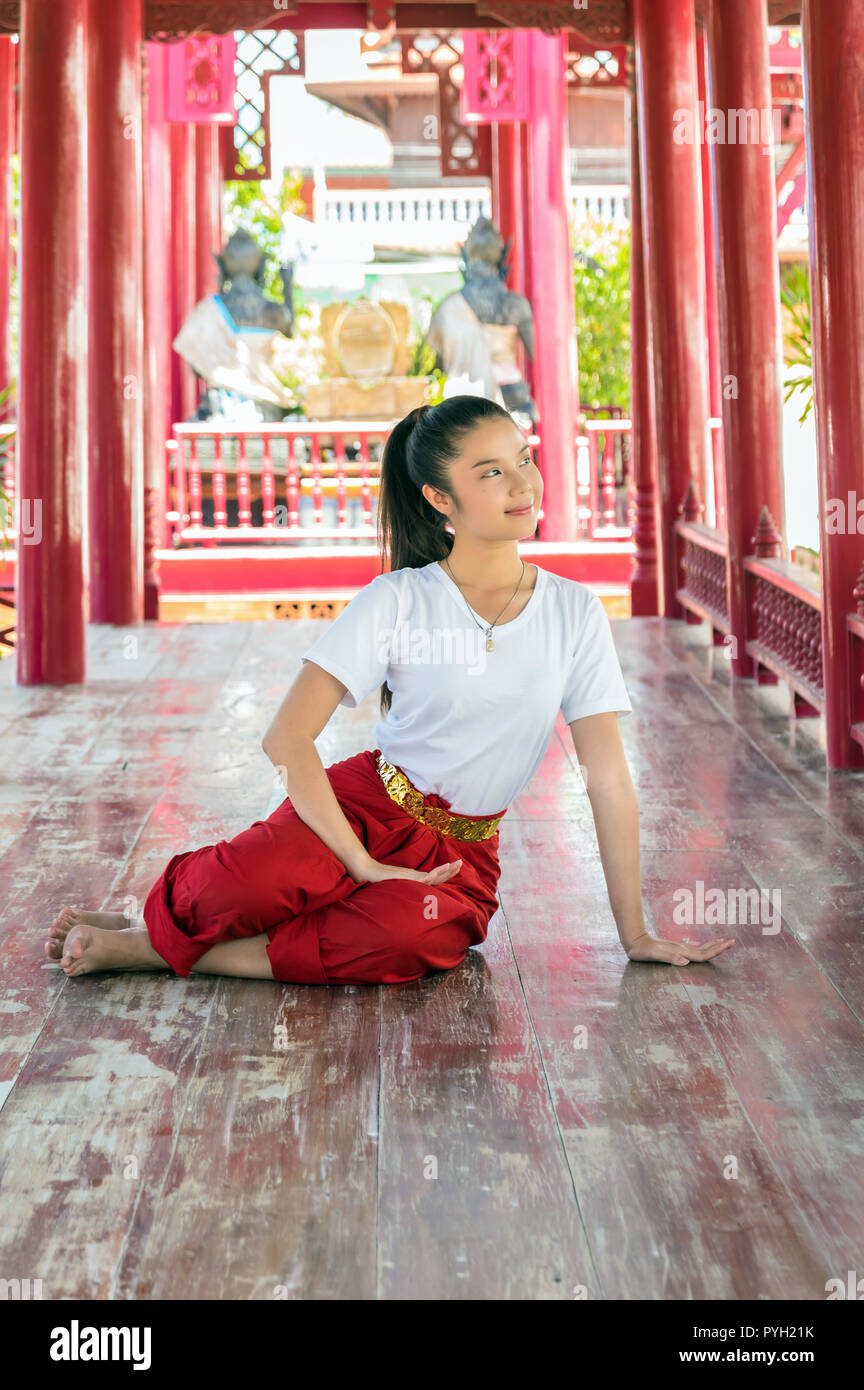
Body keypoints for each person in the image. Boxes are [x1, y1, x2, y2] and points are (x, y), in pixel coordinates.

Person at [45, 396, 734, 981]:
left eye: (523, 458)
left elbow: (608, 777)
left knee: (408, 941)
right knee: (246, 885)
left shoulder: (574, 611)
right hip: (367, 807)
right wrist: (360, 860)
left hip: (460, 852)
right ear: (440, 498)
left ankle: (153, 950)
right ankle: (154, 920)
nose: (523, 483)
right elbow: (285, 736)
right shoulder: (399, 599)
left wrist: (635, 932)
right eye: (491, 472)